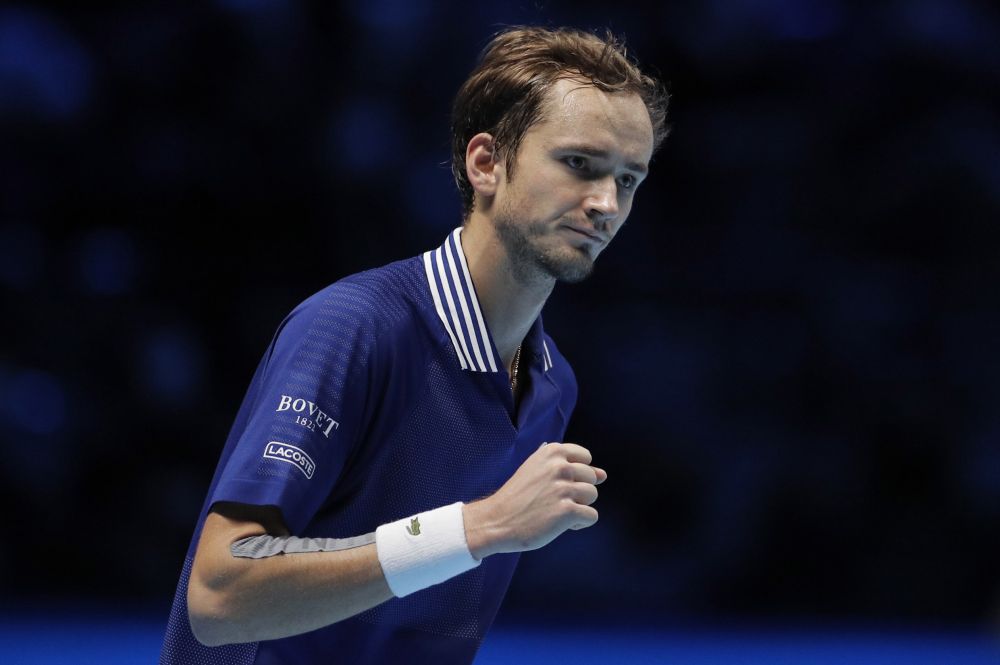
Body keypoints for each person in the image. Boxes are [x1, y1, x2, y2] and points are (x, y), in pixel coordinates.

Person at [160, 25, 669, 665]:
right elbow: (219, 597)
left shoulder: (551, 383)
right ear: (485, 163)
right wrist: (480, 525)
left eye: (629, 179)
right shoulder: (353, 328)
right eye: (579, 164)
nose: (605, 203)